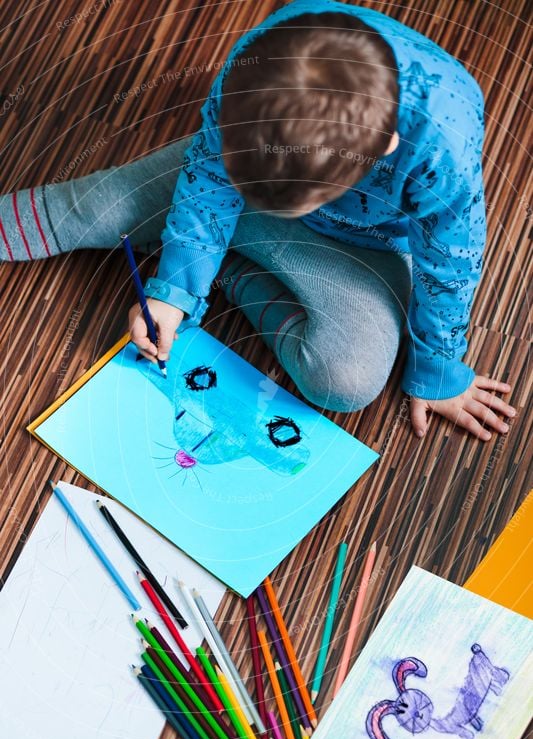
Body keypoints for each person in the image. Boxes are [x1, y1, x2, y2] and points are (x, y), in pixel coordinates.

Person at [0, 0, 515, 439]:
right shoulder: (259, 62)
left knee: (346, 379)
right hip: (225, 189)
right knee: (101, 203)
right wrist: (172, 293)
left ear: (381, 147)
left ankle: (228, 267)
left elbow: (450, 262)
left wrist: (440, 368)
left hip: (364, 243)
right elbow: (208, 180)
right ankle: (215, 253)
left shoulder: (443, 143)